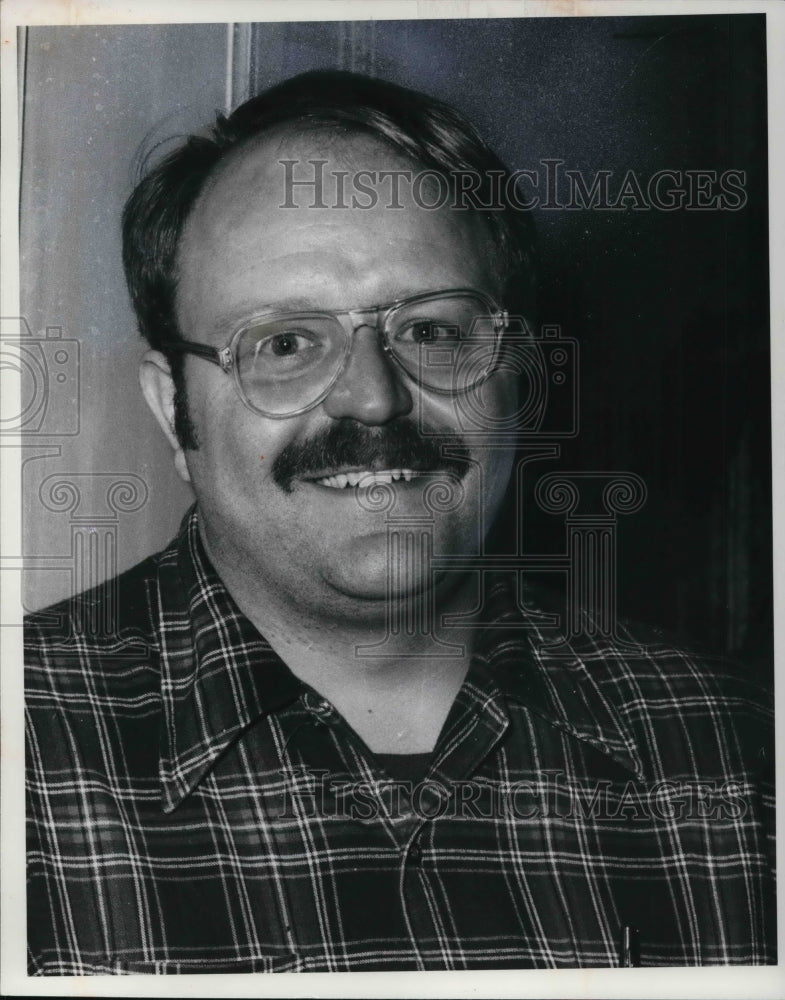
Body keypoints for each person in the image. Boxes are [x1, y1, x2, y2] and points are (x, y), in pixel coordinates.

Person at [25, 70, 774, 974]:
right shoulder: (23, 750)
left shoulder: (735, 749)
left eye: (431, 331)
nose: (372, 399)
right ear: (170, 408)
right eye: (285, 344)